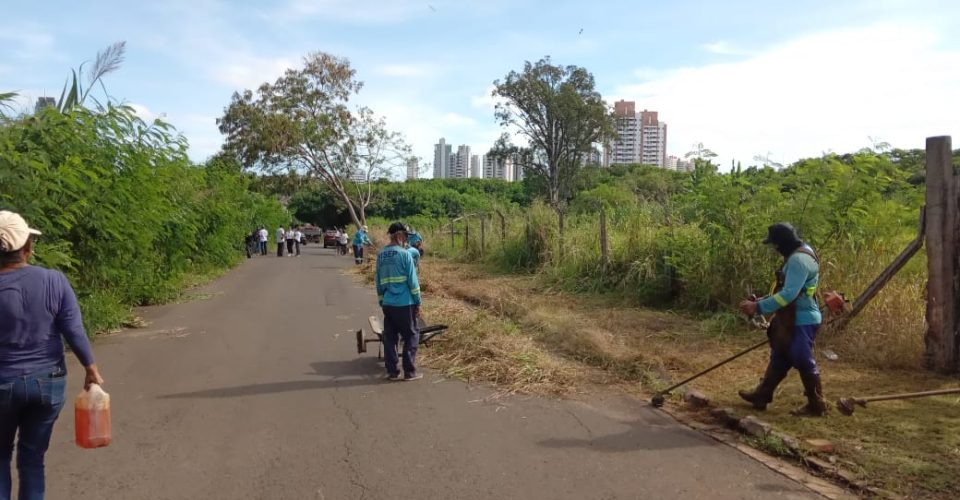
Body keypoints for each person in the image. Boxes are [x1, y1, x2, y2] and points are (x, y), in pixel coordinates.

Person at [0, 211, 105, 499]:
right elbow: (73, 329)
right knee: (32, 458)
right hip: (47, 383)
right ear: (27, 248)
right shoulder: (54, 280)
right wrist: (91, 368)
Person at [737, 222, 826, 417]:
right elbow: (787, 291)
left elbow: (789, 295)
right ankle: (762, 395)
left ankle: (816, 404)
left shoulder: (798, 261)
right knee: (780, 355)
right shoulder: (801, 252)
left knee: (802, 359)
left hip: (802, 319)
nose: (775, 249)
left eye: (775, 245)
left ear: (782, 243)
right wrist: (762, 300)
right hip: (788, 317)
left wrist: (758, 306)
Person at [375, 223, 422, 381]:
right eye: (406, 236)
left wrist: (382, 302)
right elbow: (413, 282)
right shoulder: (405, 255)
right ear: (400, 235)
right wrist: (418, 302)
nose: (406, 240)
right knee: (411, 336)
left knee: (390, 337)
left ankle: (392, 372)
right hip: (405, 303)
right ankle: (409, 372)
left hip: (388, 303)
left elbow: (379, 282)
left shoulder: (381, 255)